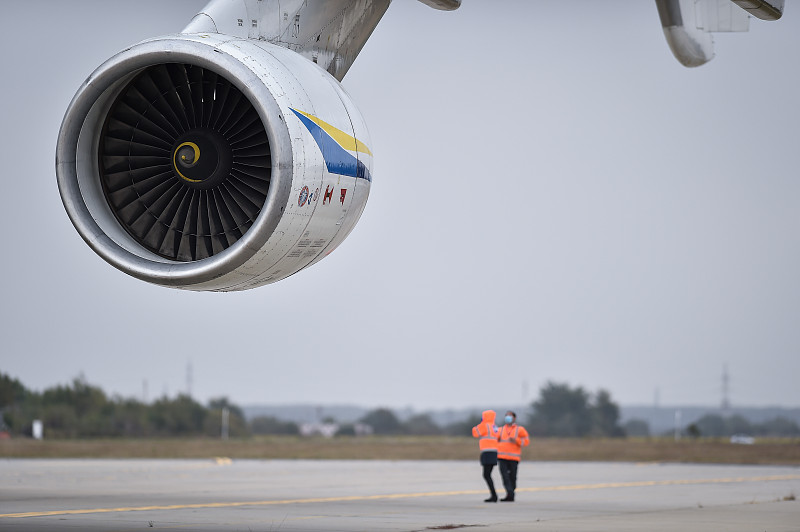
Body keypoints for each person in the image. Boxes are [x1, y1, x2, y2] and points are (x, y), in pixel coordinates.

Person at [497, 410, 529, 502]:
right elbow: (495, 440)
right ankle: (509, 493)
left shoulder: (520, 430)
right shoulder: (500, 430)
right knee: (504, 476)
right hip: (502, 457)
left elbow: (526, 442)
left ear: (514, 418)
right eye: (506, 416)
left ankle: (511, 492)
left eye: (510, 416)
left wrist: (516, 440)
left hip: (514, 457)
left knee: (513, 477)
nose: (508, 418)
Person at [472, 410, 501, 502]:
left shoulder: (484, 425)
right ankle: (493, 495)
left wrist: (481, 423)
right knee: (488, 474)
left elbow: (475, 432)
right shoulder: (495, 427)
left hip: (487, 452)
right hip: (494, 452)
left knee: (486, 475)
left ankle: (494, 495)